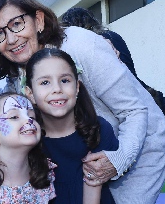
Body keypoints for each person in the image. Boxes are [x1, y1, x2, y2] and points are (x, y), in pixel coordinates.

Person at [0, 0, 165, 203]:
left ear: (39, 21)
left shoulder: (81, 46)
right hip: (81, 171)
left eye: (16, 24)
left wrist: (118, 159)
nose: (11, 39)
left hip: (138, 154)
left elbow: (135, 110)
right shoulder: (16, 78)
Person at [61, 7, 165, 187]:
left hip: (152, 109)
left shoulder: (100, 43)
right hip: (158, 104)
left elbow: (128, 83)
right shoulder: (99, 41)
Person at [25, 48, 118, 204]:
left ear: (77, 88)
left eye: (65, 80)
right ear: (30, 94)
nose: (57, 89)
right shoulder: (26, 140)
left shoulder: (99, 130)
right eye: (45, 82)